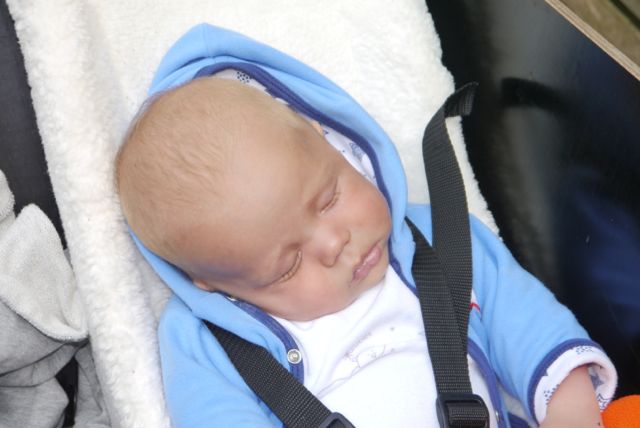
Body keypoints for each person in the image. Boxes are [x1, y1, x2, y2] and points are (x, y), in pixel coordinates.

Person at [115, 24, 617, 427]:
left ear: (330, 141)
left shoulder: (438, 240)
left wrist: (569, 410)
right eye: (288, 266)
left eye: (329, 198)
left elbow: (525, 323)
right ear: (215, 283)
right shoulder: (209, 342)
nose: (335, 242)